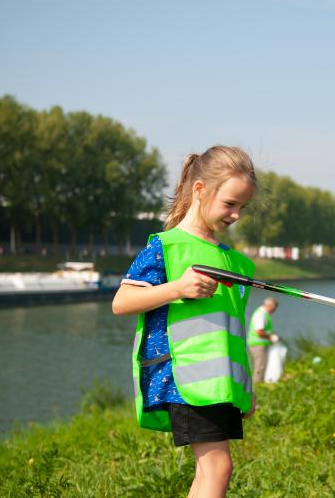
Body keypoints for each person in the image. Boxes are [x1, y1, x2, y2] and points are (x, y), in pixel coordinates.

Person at [112, 145, 258, 498]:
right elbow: (122, 302)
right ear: (199, 190)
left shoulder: (234, 262)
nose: (236, 215)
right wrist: (178, 287)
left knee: (206, 472)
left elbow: (235, 330)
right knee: (218, 468)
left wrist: (247, 385)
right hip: (185, 378)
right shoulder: (167, 246)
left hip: (221, 385)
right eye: (230, 204)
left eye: (242, 207)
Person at [247, 297, 280, 383]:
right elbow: (259, 331)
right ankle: (257, 386)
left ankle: (258, 384)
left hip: (259, 344)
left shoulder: (264, 314)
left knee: (260, 366)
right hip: (257, 345)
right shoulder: (260, 314)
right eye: (274, 309)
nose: (274, 311)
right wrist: (271, 337)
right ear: (270, 306)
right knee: (260, 366)